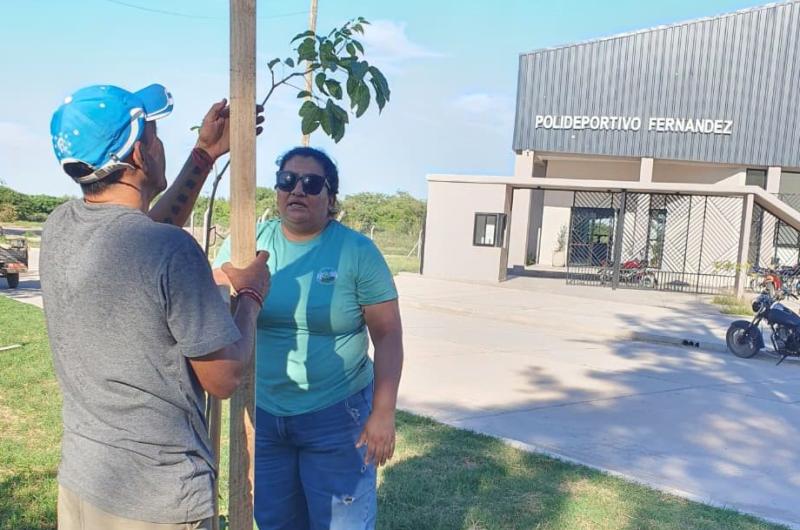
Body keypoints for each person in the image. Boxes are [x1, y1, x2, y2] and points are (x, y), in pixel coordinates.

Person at [42, 83, 270, 530]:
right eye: (152, 132)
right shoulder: (172, 252)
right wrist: (250, 296)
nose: (159, 141)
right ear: (139, 156)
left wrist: (203, 155)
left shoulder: (60, 227)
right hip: (159, 500)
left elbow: (140, 234)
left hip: (87, 482)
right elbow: (224, 377)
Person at [213, 147, 404, 530]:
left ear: (330, 198)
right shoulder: (251, 244)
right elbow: (216, 294)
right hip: (267, 413)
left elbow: (388, 335)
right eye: (287, 180)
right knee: (275, 521)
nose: (297, 190)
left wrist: (383, 412)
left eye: (311, 183)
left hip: (338, 413)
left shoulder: (356, 252)